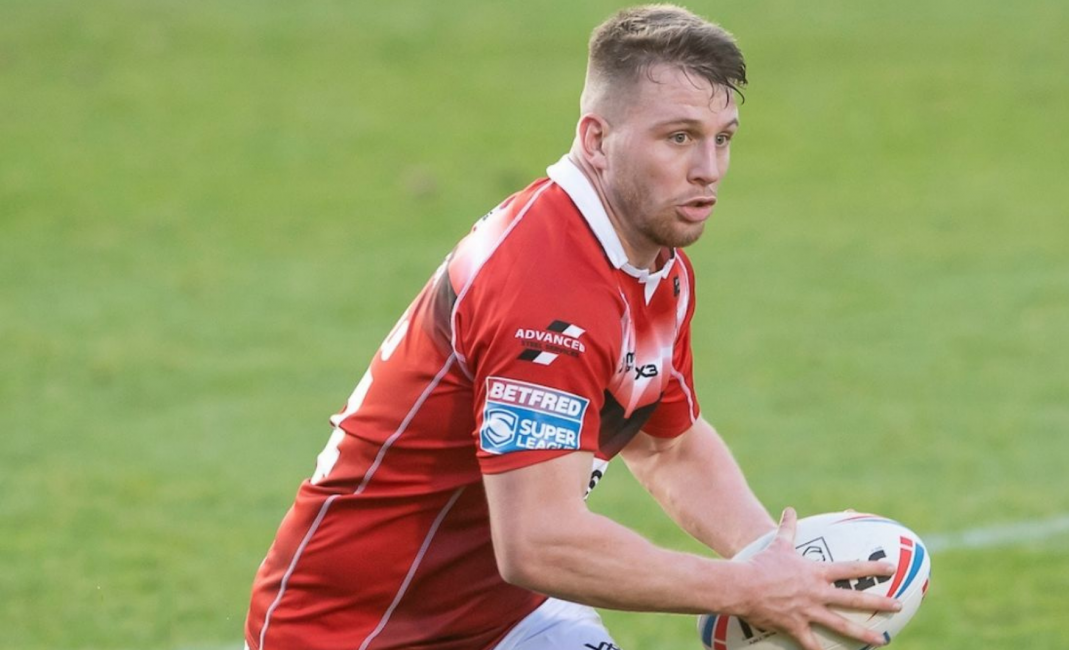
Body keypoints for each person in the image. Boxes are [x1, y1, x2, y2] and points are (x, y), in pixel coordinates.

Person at [245, 5, 900, 650]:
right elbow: (538, 543)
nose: (710, 169)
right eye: (678, 137)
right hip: (353, 633)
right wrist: (742, 589)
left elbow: (666, 443)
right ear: (595, 139)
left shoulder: (653, 262)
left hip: (499, 619)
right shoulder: (545, 289)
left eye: (722, 137)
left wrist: (776, 563)